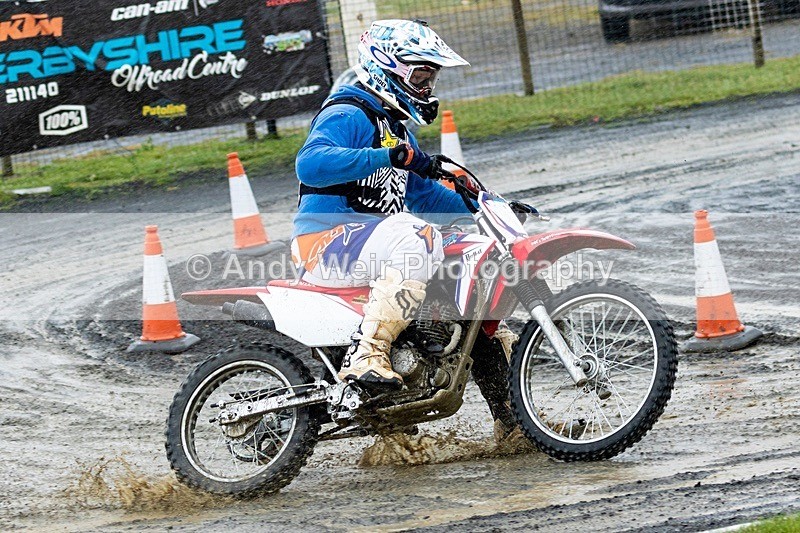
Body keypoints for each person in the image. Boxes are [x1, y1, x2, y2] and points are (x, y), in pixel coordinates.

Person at [293, 20, 520, 441]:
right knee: (419, 236)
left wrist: (492, 209)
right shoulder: (349, 112)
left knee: (467, 288)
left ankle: (515, 423)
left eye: (431, 76)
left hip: (370, 246)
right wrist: (384, 154)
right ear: (387, 69)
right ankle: (368, 356)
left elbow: (427, 198)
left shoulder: (394, 127)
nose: (427, 85)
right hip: (324, 242)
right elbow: (310, 165)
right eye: (420, 75)